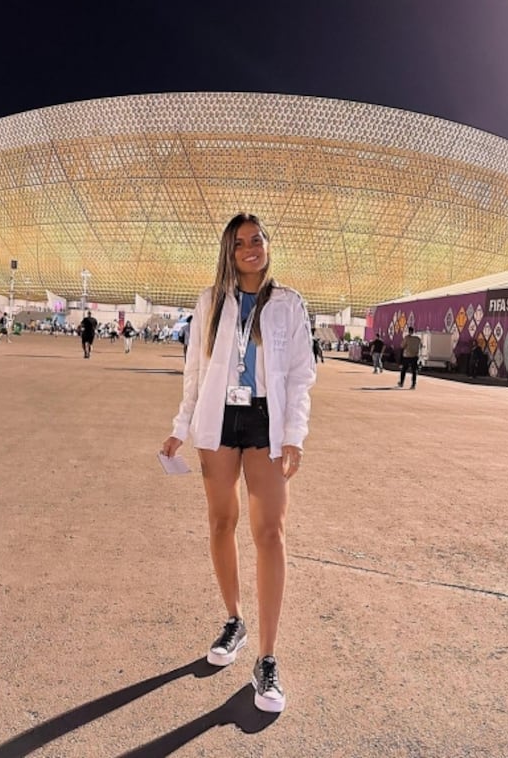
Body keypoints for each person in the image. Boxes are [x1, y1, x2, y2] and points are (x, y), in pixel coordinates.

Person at [161, 212, 316, 713]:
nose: (250, 248)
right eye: (240, 242)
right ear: (229, 252)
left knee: (269, 532)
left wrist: (294, 434)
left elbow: (300, 374)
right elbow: (194, 372)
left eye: (257, 240)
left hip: (266, 422)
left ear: (268, 246)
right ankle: (234, 620)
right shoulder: (210, 301)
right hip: (217, 421)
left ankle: (267, 657)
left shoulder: (289, 303)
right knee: (220, 521)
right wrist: (180, 427)